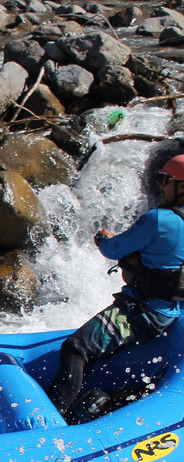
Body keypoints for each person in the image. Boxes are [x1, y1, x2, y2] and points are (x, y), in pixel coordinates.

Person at [48, 154, 184, 419]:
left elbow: (113, 249)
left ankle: (52, 419)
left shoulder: (159, 220)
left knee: (75, 347)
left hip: (143, 314)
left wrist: (103, 238)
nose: (161, 186)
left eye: (167, 180)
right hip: (172, 313)